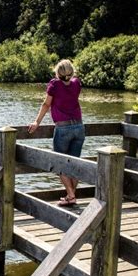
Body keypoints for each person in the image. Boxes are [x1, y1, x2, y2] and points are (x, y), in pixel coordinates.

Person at [28, 59, 85, 206]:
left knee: (59, 163)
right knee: (74, 163)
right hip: (79, 127)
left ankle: (71, 195)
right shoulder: (76, 83)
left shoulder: (54, 84)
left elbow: (47, 104)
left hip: (63, 128)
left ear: (57, 72)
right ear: (72, 72)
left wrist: (37, 122)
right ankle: (70, 195)